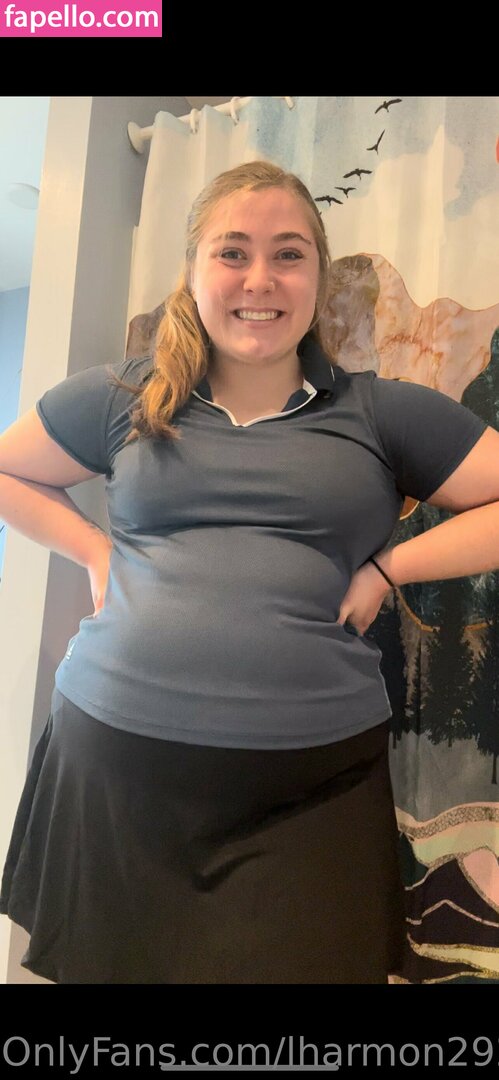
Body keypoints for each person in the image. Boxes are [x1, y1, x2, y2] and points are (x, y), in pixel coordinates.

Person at [0, 159, 498, 985]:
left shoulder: (380, 412)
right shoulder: (123, 397)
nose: (258, 279)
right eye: (231, 252)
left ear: (317, 276)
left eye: (287, 254)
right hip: (114, 773)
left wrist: (388, 567)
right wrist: (93, 549)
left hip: (310, 792)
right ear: (193, 271)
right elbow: (9, 471)